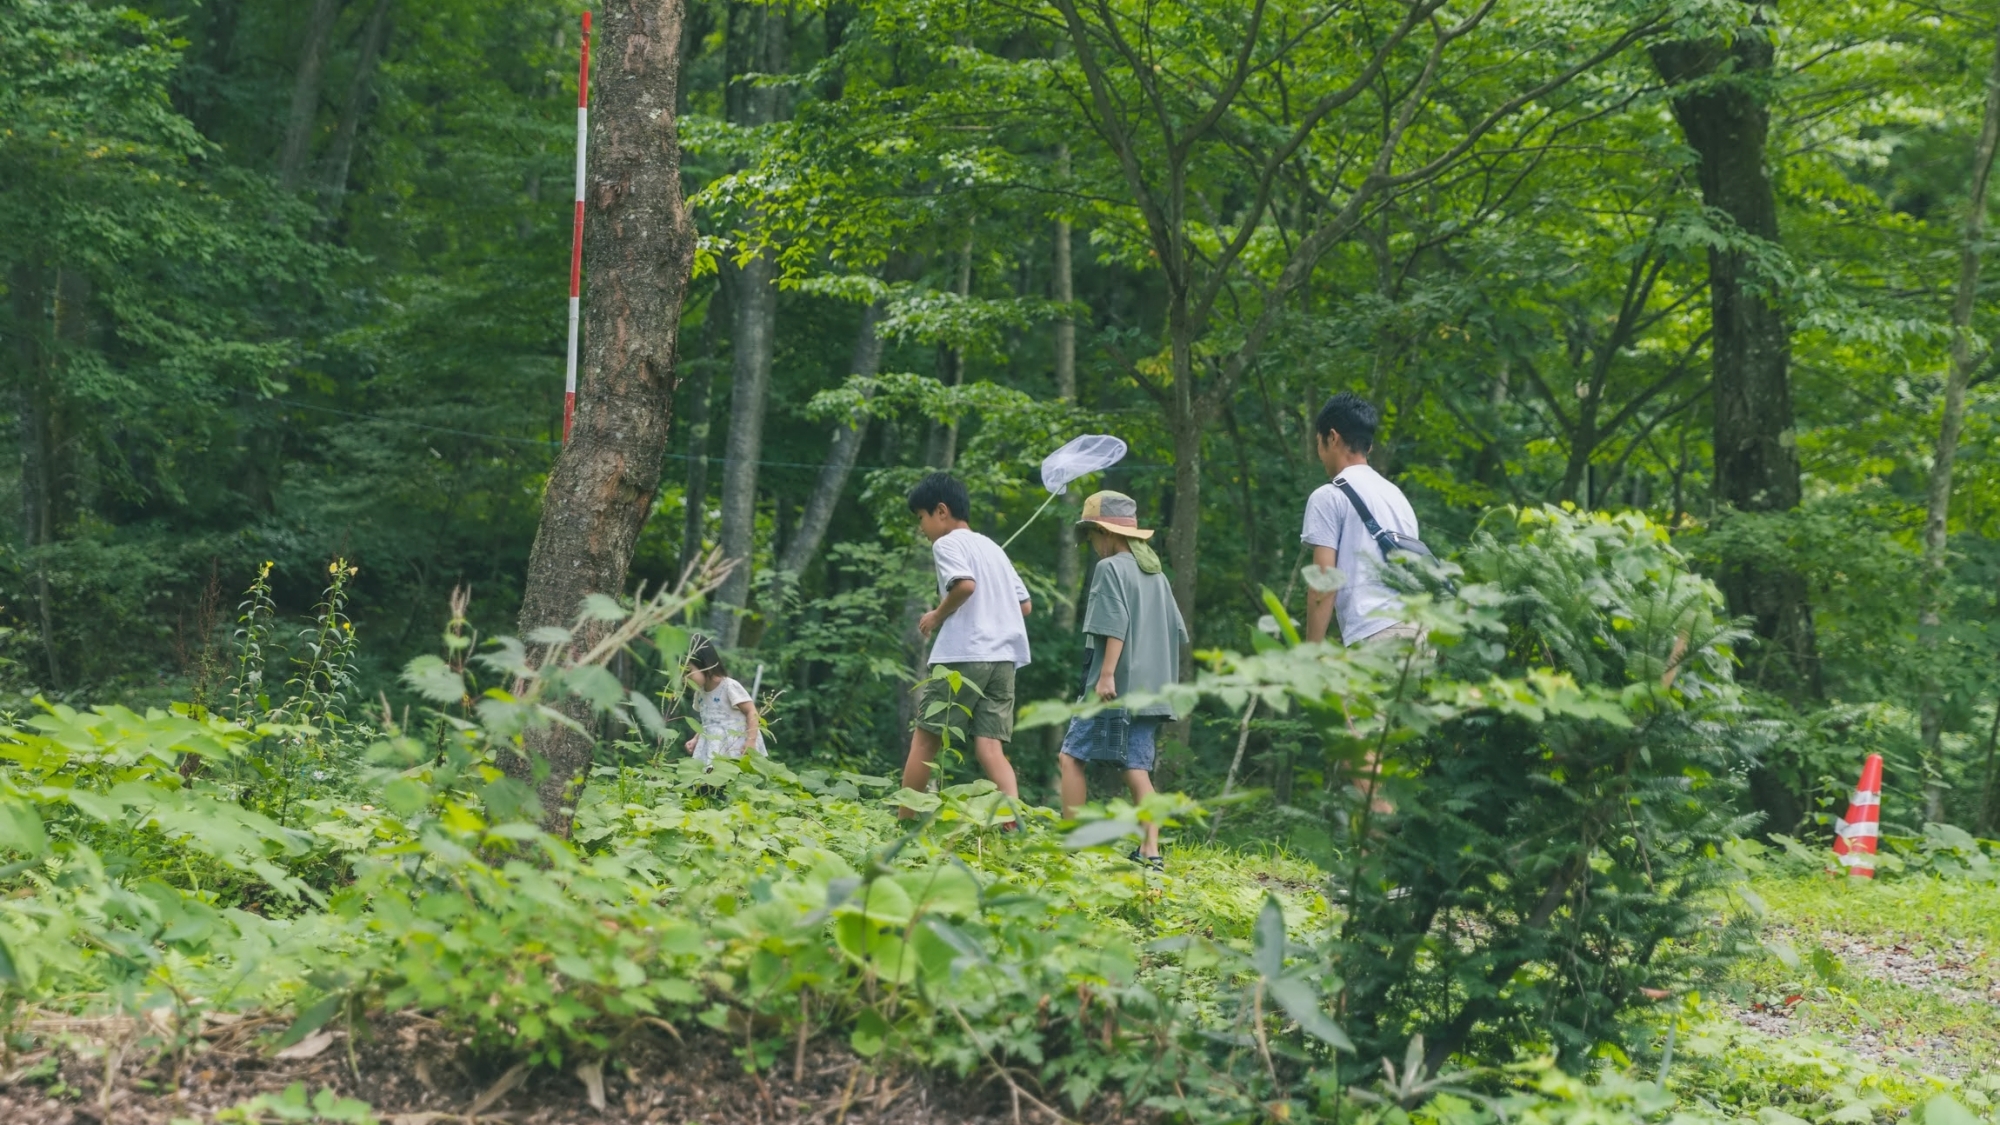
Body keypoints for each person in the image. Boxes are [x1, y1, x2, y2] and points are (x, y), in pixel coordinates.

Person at [1057, 491, 1187, 870]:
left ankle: (1073, 843)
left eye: (1093, 537)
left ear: (1107, 533)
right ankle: (1151, 850)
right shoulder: (1156, 575)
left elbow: (1114, 625)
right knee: (1136, 767)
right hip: (1152, 690)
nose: (1093, 546)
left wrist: (1107, 675)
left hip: (1112, 686)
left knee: (1070, 757)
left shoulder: (1110, 569)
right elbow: (1174, 630)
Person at [900, 472, 1032, 817]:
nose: (922, 528)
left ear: (941, 511)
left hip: (964, 654)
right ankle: (1011, 822)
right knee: (990, 747)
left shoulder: (946, 544)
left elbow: (965, 585)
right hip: (1004, 658)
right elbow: (1025, 605)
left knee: (926, 738)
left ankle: (904, 822)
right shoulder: (993, 548)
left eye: (921, 518)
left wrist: (937, 615)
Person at [1301, 391, 1422, 648]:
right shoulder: (1396, 496)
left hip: (1378, 636)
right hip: (1420, 633)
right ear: (1369, 446)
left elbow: (1324, 584)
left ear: (1331, 438)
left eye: (1318, 443)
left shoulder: (1329, 496)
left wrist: (1308, 657)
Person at [683, 636, 764, 766]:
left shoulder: (729, 687)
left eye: (688, 671)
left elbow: (751, 711)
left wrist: (751, 741)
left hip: (735, 747)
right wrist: (695, 738)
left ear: (705, 664)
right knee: (709, 782)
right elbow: (708, 722)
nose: (684, 678)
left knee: (736, 780)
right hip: (712, 749)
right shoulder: (700, 693)